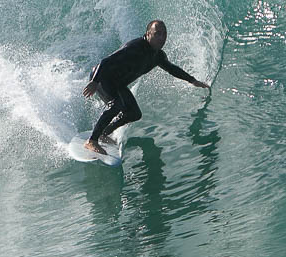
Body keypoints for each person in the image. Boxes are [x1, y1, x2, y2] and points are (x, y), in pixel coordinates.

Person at [82, 20, 209, 155]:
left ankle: (104, 133)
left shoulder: (158, 56)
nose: (162, 38)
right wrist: (95, 81)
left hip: (118, 84)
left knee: (134, 113)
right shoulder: (135, 47)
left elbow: (172, 69)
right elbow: (106, 61)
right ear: (148, 34)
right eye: (157, 34)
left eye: (164, 34)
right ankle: (92, 141)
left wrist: (192, 80)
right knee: (117, 104)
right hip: (102, 77)